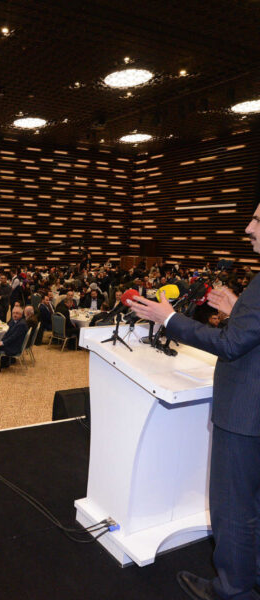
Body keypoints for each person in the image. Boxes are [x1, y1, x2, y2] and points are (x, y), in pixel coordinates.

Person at [127, 205, 260, 600]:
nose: (248, 228)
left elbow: (231, 344)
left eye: (257, 220)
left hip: (244, 416)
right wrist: (240, 310)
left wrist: (168, 319)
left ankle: (233, 590)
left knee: (234, 508)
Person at [0, 305, 29, 373]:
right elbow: (7, 330)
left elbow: (13, 338)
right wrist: (2, 341)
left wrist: (2, 343)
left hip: (15, 347)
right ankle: (4, 363)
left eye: (17, 313)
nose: (15, 315)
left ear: (21, 314)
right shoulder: (14, 321)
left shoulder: (21, 324)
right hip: (13, 343)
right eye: (13, 313)